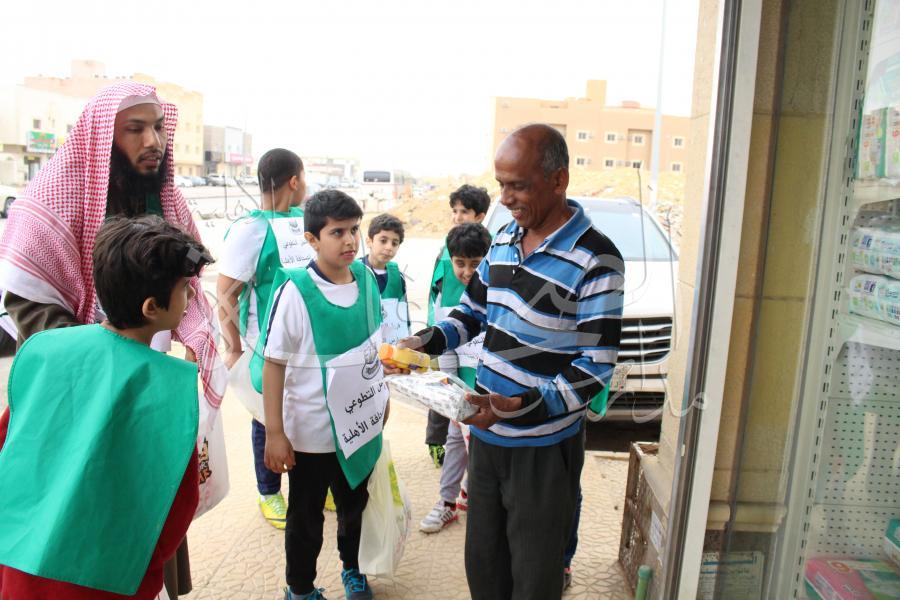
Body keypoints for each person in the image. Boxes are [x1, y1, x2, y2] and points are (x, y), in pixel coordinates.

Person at [0, 82, 227, 597]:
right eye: (136, 129)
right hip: (75, 388)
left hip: (147, 393)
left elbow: (189, 279)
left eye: (159, 128)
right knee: (67, 510)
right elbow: (27, 298)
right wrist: (105, 360)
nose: (154, 141)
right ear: (104, 137)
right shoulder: (51, 198)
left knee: (142, 506)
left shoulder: (163, 197)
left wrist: (177, 344)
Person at [390, 124, 625, 599]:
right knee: (485, 565)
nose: (506, 198)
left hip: (543, 449)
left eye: (518, 185)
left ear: (558, 180)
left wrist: (518, 406)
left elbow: (594, 367)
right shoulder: (503, 239)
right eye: (501, 184)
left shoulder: (597, 259)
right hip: (487, 437)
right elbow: (472, 312)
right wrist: (422, 342)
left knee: (534, 577)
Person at [0, 215, 213, 599]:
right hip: (112, 577)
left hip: (21, 565)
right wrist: (145, 563)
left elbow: (9, 442)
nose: (191, 298)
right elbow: (178, 504)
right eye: (185, 288)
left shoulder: (47, 350)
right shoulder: (169, 387)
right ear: (152, 307)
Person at [261, 190, 389, 600]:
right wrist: (275, 433)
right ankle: (300, 589)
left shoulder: (367, 280)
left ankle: (354, 569)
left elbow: (373, 349)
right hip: (311, 434)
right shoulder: (296, 291)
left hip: (359, 427)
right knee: (306, 516)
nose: (350, 240)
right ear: (312, 239)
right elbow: (273, 364)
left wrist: (380, 400)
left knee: (355, 507)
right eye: (337, 232)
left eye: (354, 230)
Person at [217, 148, 312, 529]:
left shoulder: (303, 221)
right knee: (266, 415)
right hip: (264, 342)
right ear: (294, 181)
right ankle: (269, 491)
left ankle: (310, 482)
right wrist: (234, 348)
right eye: (305, 179)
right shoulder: (250, 230)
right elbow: (227, 292)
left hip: (305, 342)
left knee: (305, 409)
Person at [419, 222, 491, 534]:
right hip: (461, 390)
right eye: (460, 263)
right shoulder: (448, 290)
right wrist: (451, 388)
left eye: (475, 264)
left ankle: (473, 498)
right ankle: (447, 502)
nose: (466, 272)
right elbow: (446, 339)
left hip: (491, 394)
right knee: (455, 441)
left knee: (483, 450)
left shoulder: (498, 290)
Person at [424, 184, 490, 468]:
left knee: (471, 400)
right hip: (449, 335)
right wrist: (432, 333)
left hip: (477, 348)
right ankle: (435, 442)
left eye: (465, 211)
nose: (458, 217)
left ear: (481, 215)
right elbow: (434, 294)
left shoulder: (492, 253)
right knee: (445, 389)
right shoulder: (446, 252)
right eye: (455, 211)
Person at [361, 213, 410, 344]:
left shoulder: (398, 277)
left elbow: (404, 316)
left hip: (391, 347)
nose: (389, 247)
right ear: (369, 241)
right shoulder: (354, 273)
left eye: (394, 243)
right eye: (383, 241)